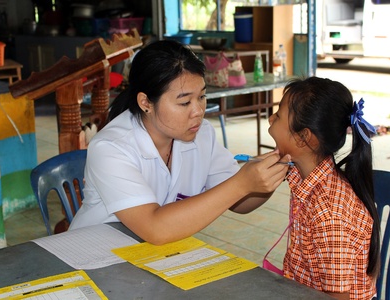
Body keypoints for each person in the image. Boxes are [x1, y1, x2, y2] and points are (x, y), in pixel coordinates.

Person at [69, 40, 291, 245]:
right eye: (184, 102)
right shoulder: (110, 148)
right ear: (145, 102)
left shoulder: (201, 134)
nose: (198, 111)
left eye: (202, 97)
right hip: (96, 256)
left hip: (151, 257)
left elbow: (240, 203)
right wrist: (242, 183)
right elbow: (155, 228)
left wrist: (266, 176)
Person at [267, 77, 380, 300]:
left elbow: (338, 297)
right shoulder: (303, 176)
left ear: (303, 138)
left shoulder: (328, 215)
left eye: (278, 116)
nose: (271, 118)